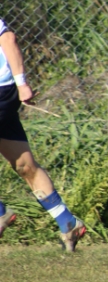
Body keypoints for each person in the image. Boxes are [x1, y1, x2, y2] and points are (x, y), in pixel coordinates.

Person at [0, 18, 87, 251]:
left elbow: (7, 38)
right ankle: (67, 222)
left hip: (1, 89)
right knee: (24, 165)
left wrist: (22, 84)